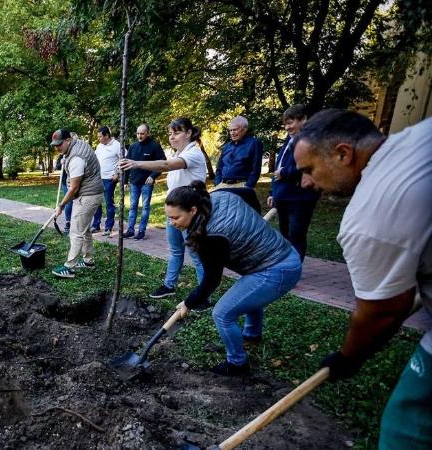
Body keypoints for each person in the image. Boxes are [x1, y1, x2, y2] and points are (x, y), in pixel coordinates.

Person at [293, 110, 432, 448]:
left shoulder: (369, 215)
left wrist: (347, 358)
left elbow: (384, 311)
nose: (306, 183)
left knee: (406, 427)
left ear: (343, 153)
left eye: (309, 170)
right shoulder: (417, 137)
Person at [170, 181, 302, 375]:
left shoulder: (210, 236)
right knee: (249, 291)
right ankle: (252, 334)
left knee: (222, 314)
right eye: (169, 217)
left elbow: (212, 280)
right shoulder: (217, 196)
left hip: (278, 268)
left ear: (193, 210)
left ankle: (237, 363)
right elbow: (248, 192)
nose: (172, 223)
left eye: (175, 218)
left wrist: (188, 303)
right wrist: (255, 219)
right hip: (278, 255)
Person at [120, 118, 207, 299]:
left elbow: (166, 165)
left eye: (177, 133)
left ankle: (204, 296)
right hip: (174, 214)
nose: (172, 137)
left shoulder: (194, 153)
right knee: (176, 251)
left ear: (189, 133)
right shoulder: (178, 153)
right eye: (170, 134)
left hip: (190, 215)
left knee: (197, 256)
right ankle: (169, 285)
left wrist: (136, 163)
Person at [267, 104, 319, 260]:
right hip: (283, 195)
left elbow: (306, 165)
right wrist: (272, 192)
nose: (287, 127)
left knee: (296, 233)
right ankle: (287, 266)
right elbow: (278, 165)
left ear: (303, 119)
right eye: (285, 124)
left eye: (290, 123)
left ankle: (295, 268)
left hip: (300, 197)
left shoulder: (311, 141)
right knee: (284, 234)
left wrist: (284, 172)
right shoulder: (289, 141)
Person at [50, 128, 104, 278]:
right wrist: (64, 157)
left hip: (88, 196)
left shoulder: (76, 158)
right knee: (84, 229)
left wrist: (61, 205)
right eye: (55, 145)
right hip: (92, 192)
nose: (57, 148)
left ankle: (70, 267)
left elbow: (73, 188)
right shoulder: (76, 145)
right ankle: (88, 261)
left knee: (76, 231)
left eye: (59, 144)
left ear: (68, 140)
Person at [122, 124, 166, 240]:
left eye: (142, 133)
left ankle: (141, 231)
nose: (139, 136)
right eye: (137, 133)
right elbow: (127, 164)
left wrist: (153, 175)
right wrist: (125, 181)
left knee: (145, 207)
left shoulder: (154, 146)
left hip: (147, 182)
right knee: (133, 206)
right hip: (134, 182)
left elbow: (163, 163)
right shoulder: (133, 146)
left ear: (148, 133)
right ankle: (130, 230)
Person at [214, 115, 263, 189]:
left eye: (235, 130)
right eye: (230, 130)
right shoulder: (226, 146)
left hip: (241, 186)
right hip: (222, 185)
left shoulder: (254, 143)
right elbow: (219, 168)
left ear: (245, 129)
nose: (232, 133)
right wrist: (217, 184)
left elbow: (255, 170)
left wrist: (248, 187)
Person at [92, 126, 121, 236]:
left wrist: (117, 173)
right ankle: (96, 225)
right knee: (96, 202)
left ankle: (108, 227)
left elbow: (123, 158)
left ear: (107, 135)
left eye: (100, 136)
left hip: (109, 179)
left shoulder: (117, 145)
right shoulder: (99, 146)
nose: (98, 139)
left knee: (109, 203)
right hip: (98, 178)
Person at [55, 153, 73, 234]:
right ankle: (68, 222)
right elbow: (57, 167)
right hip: (65, 182)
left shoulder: (75, 154)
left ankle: (76, 222)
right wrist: (61, 163)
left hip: (75, 180)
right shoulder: (62, 155)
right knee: (69, 202)